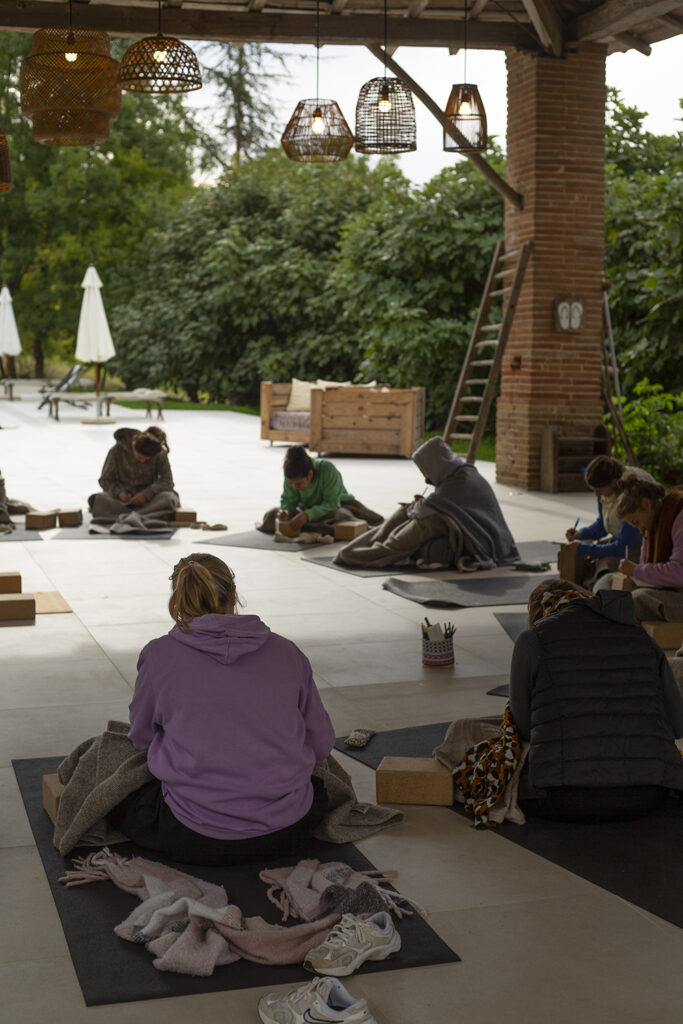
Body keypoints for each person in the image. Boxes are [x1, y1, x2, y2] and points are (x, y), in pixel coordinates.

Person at [107, 552, 335, 865]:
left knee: (116, 787)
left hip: (193, 833)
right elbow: (321, 744)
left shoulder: (159, 654)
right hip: (289, 830)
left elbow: (141, 738)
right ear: (234, 594)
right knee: (319, 786)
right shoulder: (287, 652)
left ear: (179, 596)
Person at [509, 578, 683, 823]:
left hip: (560, 796)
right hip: (648, 793)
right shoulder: (638, 633)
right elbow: (678, 724)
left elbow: (523, 727)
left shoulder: (532, 638)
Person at [335, 436, 519, 570]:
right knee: (410, 511)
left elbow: (423, 511)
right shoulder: (461, 473)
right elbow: (427, 506)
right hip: (477, 536)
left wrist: (415, 508)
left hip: (481, 543)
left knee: (428, 520)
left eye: (425, 470)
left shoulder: (457, 484)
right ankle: (370, 543)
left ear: (435, 463)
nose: (425, 475)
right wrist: (414, 508)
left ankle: (360, 554)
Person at [564, 455, 654, 585]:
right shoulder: (608, 488)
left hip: (642, 541)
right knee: (588, 548)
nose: (596, 494)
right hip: (624, 539)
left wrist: (585, 548)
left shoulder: (632, 494)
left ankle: (596, 588)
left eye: (599, 489)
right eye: (593, 489)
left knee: (607, 561)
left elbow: (623, 547)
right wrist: (581, 534)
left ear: (614, 483)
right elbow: (603, 525)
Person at [605, 476, 683, 623]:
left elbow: (679, 573)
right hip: (670, 589)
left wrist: (636, 571)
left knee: (636, 599)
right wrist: (635, 573)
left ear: (646, 504)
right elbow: (646, 567)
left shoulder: (679, 515)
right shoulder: (654, 523)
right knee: (607, 582)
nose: (640, 529)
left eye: (636, 522)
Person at [258, 446, 383, 536]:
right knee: (272, 514)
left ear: (310, 474)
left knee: (341, 516)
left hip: (337, 506)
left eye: (299, 483)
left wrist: (307, 516)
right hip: (306, 508)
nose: (294, 487)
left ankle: (309, 527)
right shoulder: (291, 476)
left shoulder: (327, 469)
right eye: (292, 483)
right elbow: (289, 500)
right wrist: (285, 511)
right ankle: (313, 527)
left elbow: (332, 503)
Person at [90, 426, 180, 526]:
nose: (143, 461)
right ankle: (147, 516)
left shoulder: (159, 453)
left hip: (150, 500)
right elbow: (105, 480)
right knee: (98, 499)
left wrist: (146, 494)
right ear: (133, 445)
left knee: (169, 498)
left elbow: (167, 481)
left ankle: (125, 516)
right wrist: (119, 493)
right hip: (122, 501)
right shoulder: (116, 451)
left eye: (147, 459)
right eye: (140, 457)